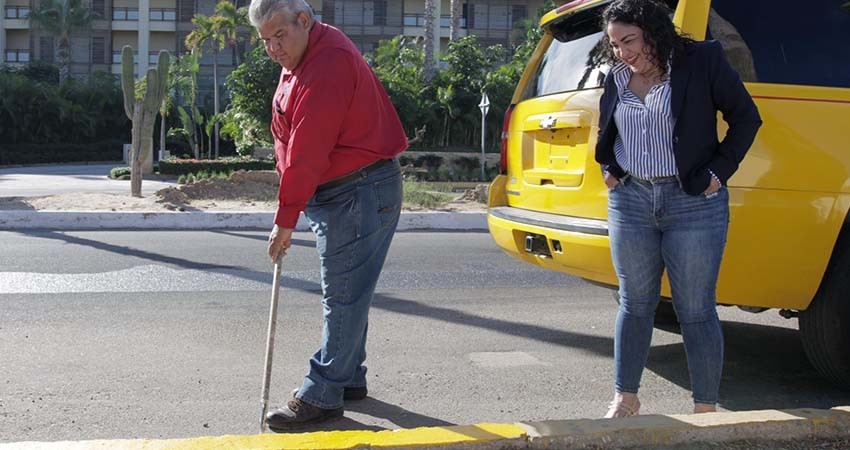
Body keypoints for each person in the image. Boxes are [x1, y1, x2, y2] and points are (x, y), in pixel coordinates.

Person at [595, 0, 761, 418]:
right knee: (634, 304)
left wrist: (718, 172)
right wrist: (608, 167)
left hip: (693, 203)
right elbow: (609, 126)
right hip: (631, 200)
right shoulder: (615, 75)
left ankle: (704, 408)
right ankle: (625, 398)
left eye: (629, 40)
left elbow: (746, 118)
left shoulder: (701, 61)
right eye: (615, 44)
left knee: (695, 309)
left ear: (653, 31)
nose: (622, 52)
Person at [248, 0, 407, 430]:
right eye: (266, 41)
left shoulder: (327, 62)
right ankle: (348, 377)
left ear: (304, 20)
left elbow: (307, 148)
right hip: (346, 191)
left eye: (279, 36)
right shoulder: (304, 52)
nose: (273, 49)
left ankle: (322, 392)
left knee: (343, 295)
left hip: (357, 191)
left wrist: (285, 220)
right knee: (348, 290)